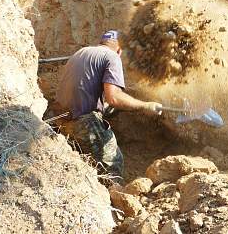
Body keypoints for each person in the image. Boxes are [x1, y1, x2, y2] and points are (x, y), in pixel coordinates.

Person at [54, 30, 162, 176]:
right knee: (113, 164)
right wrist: (145, 105)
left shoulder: (82, 52)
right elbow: (114, 97)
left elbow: (83, 89)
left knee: (85, 161)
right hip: (82, 122)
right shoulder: (112, 57)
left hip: (60, 119)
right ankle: (112, 195)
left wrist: (103, 107)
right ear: (120, 50)